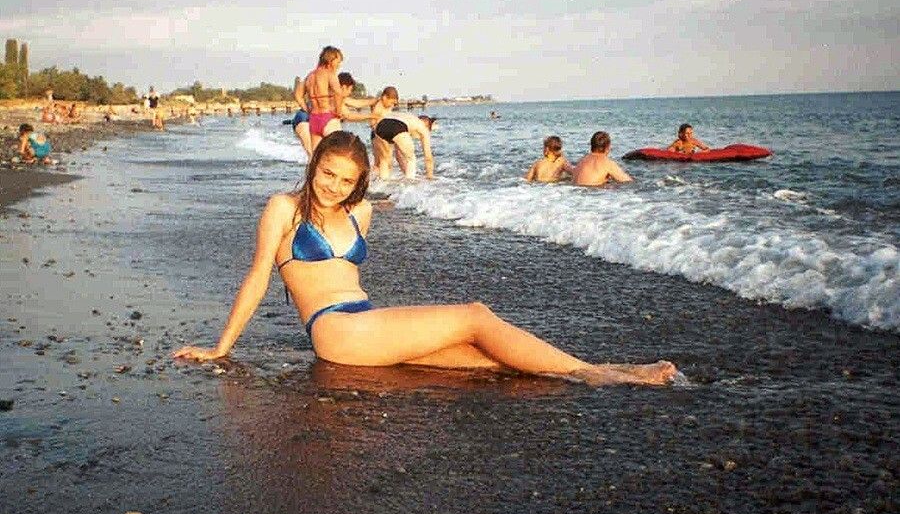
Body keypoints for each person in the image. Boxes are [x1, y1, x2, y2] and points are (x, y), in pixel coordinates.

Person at [173, 131, 676, 386]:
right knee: (475, 316)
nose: (334, 186)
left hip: (364, 322)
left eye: (346, 180)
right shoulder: (284, 208)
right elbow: (258, 277)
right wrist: (221, 349)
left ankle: (607, 371)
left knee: (490, 360)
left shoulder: (361, 212)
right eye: (327, 173)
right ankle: (595, 372)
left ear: (359, 183)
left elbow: (347, 277)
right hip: (335, 331)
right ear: (314, 164)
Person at [303, 46, 345, 150]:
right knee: (339, 151)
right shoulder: (329, 74)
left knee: (316, 155)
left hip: (314, 119)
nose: (339, 65)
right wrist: (339, 112)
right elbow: (338, 93)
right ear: (330, 60)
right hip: (328, 117)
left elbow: (298, 95)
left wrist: (307, 109)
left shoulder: (309, 76)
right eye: (338, 62)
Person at [372, 112, 437, 179]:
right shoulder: (423, 128)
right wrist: (430, 176)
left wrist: (405, 172)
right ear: (427, 125)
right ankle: (410, 182)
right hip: (398, 125)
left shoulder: (408, 118)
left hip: (380, 125)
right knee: (411, 159)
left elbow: (398, 156)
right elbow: (428, 158)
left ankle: (383, 182)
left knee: (384, 160)